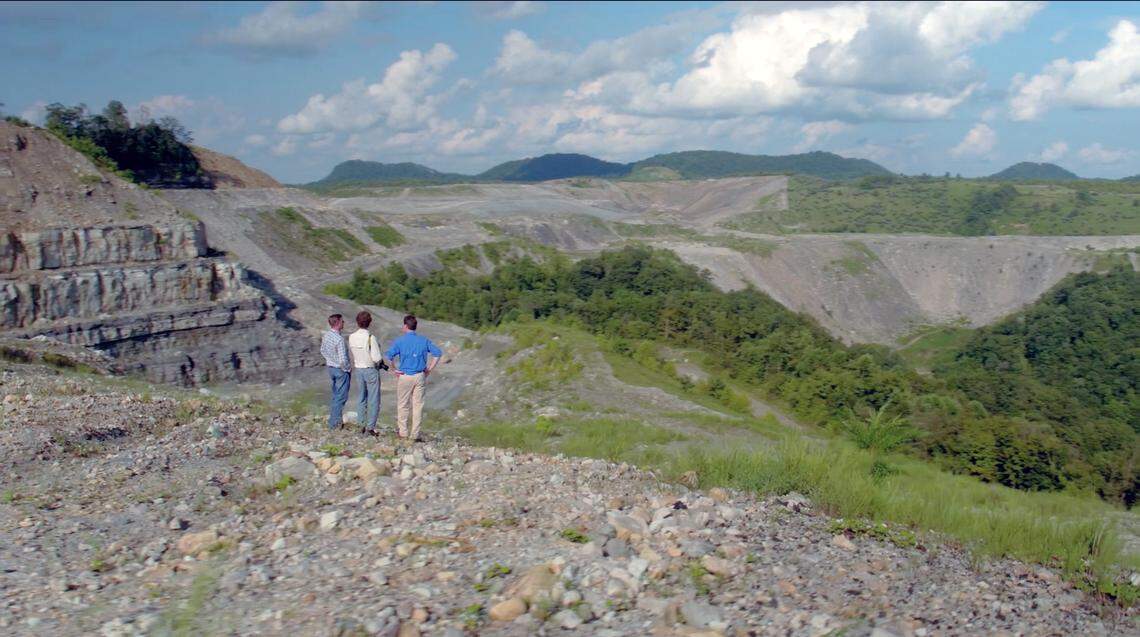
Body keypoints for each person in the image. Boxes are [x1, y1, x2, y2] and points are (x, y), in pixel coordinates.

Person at [384, 314, 442, 442]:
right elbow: (437, 354)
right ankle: (415, 434)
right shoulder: (424, 340)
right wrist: (429, 370)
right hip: (420, 375)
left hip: (404, 376)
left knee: (403, 405)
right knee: (418, 405)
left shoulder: (400, 341)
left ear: (405, 326)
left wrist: (394, 369)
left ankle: (403, 432)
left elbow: (388, 356)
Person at [347, 310, 383, 436]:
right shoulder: (370, 338)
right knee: (374, 398)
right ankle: (370, 427)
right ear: (369, 323)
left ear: (357, 322)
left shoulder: (351, 337)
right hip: (370, 369)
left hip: (359, 368)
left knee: (361, 397)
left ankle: (360, 424)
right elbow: (377, 358)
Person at [319, 314, 351, 430]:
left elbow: (322, 350)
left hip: (331, 368)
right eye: (342, 321)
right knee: (341, 397)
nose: (344, 323)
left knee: (335, 395)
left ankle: (333, 419)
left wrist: (330, 359)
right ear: (337, 323)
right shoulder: (339, 339)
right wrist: (348, 368)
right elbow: (343, 359)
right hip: (340, 370)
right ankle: (335, 423)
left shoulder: (326, 335)